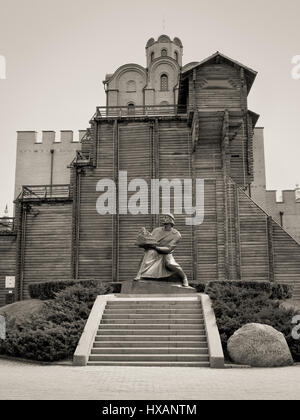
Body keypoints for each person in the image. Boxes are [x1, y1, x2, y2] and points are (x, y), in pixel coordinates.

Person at [134, 213, 189, 287]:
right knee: (149, 253)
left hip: (166, 253)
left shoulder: (176, 234)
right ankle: (140, 274)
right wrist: (143, 242)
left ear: (171, 220)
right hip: (153, 251)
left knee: (170, 264)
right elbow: (150, 240)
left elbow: (169, 249)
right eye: (164, 217)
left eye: (166, 217)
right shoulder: (156, 230)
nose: (163, 219)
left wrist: (155, 247)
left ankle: (184, 277)